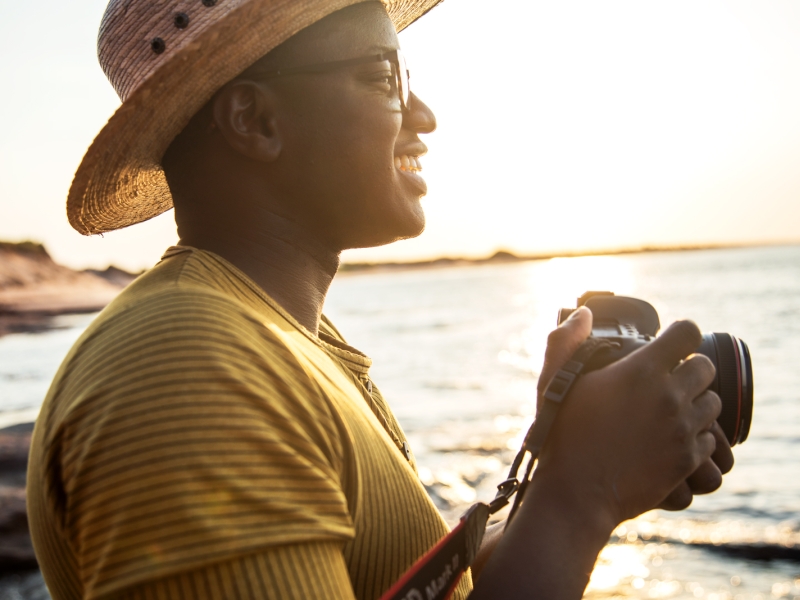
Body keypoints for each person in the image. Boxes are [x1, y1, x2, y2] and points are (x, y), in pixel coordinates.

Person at [26, 0, 734, 598]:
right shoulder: (189, 367)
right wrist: (584, 493)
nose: (423, 116)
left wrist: (568, 456)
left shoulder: (280, 342)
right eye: (382, 76)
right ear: (255, 121)